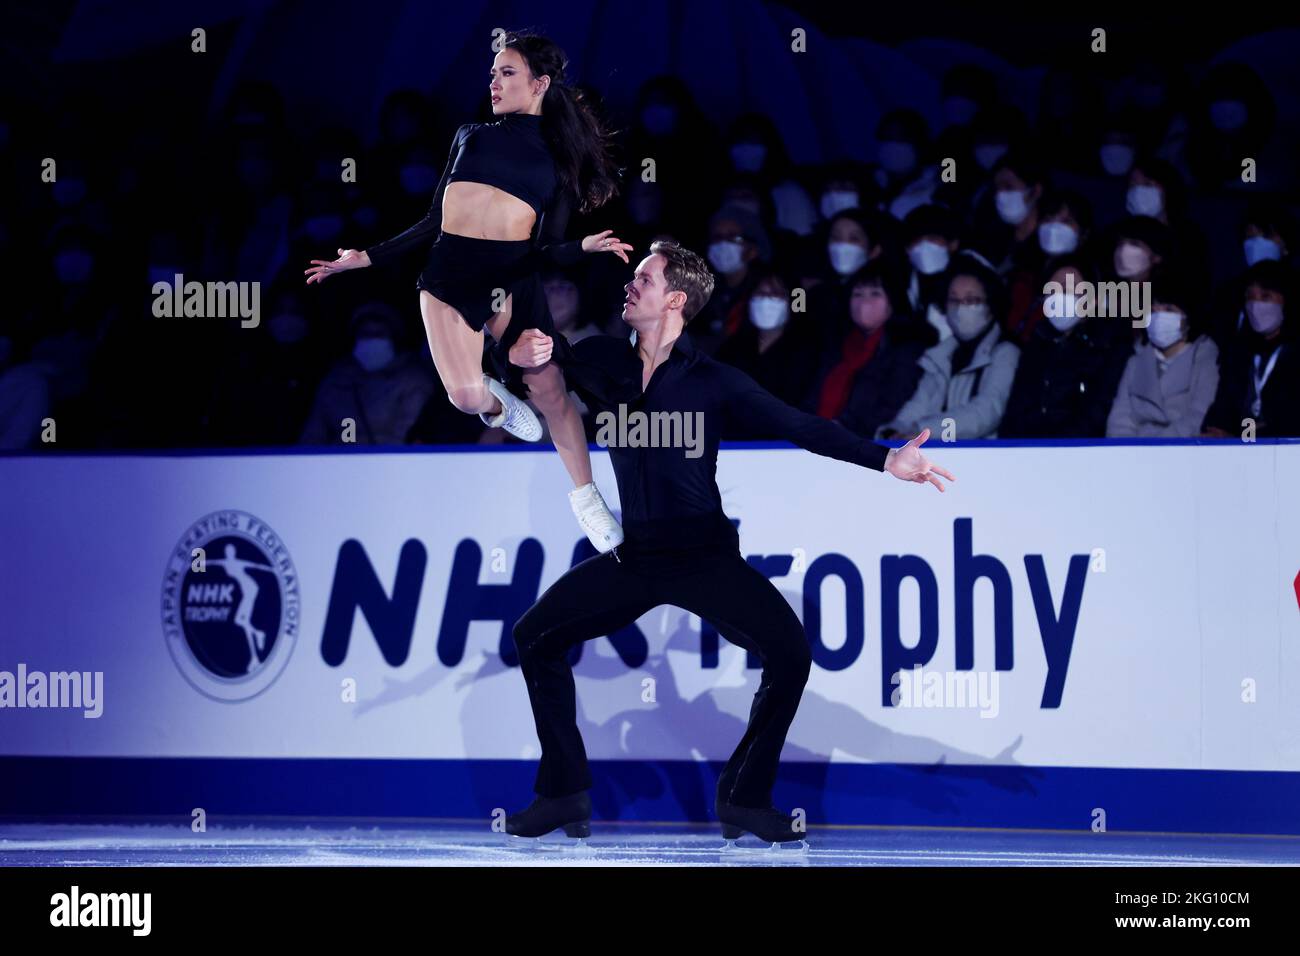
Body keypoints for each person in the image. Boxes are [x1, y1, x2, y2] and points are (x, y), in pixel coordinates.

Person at [502, 241, 954, 844]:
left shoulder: (714, 381)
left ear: (676, 299)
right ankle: (562, 793)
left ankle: (744, 797)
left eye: (645, 279)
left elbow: (801, 425)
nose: (630, 286)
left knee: (790, 654)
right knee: (534, 636)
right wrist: (519, 355)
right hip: (632, 556)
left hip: (703, 557)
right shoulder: (600, 360)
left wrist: (885, 459)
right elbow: (537, 372)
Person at [303, 31, 630, 551]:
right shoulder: (469, 135)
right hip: (447, 275)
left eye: (507, 73)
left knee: (550, 391)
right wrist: (364, 257)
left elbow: (545, 248)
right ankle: (498, 399)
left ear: (540, 84)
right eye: (493, 73)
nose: (494, 82)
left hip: (511, 277)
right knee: (464, 397)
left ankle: (586, 497)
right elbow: (434, 219)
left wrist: (583, 247)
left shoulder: (557, 160)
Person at [878, 252, 1020, 440]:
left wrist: (923, 432)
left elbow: (985, 414)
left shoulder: (1005, 352)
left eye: (972, 300)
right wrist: (892, 431)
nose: (961, 307)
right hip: (939, 454)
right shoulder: (941, 355)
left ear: (991, 305)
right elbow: (918, 406)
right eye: (954, 300)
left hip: (984, 457)